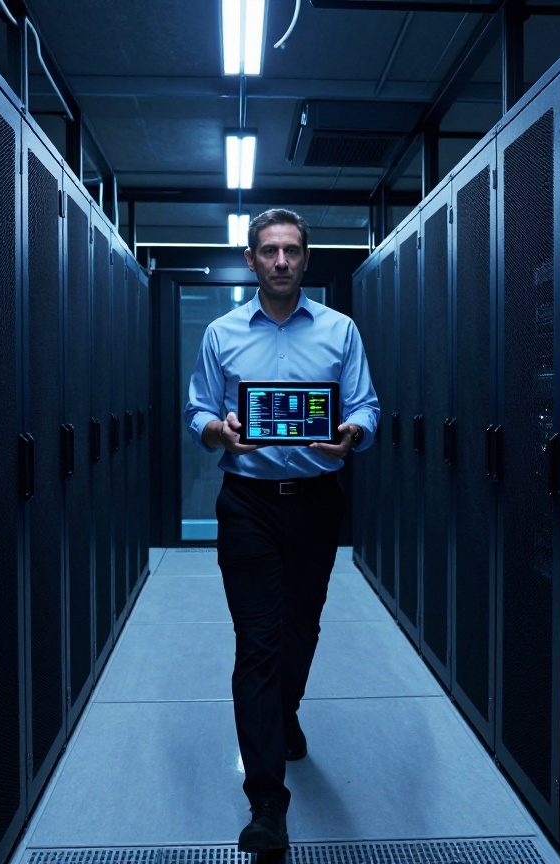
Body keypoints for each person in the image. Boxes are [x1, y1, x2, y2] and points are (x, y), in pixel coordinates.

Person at [184, 209, 380, 852]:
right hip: (248, 504)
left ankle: (284, 712)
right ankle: (267, 801)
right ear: (250, 259)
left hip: (317, 501)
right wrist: (219, 431)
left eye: (291, 250)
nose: (280, 261)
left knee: (301, 629)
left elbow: (364, 407)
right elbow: (198, 409)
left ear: (306, 258)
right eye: (268, 250)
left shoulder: (340, 330)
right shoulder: (220, 334)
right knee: (259, 643)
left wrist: (351, 435)